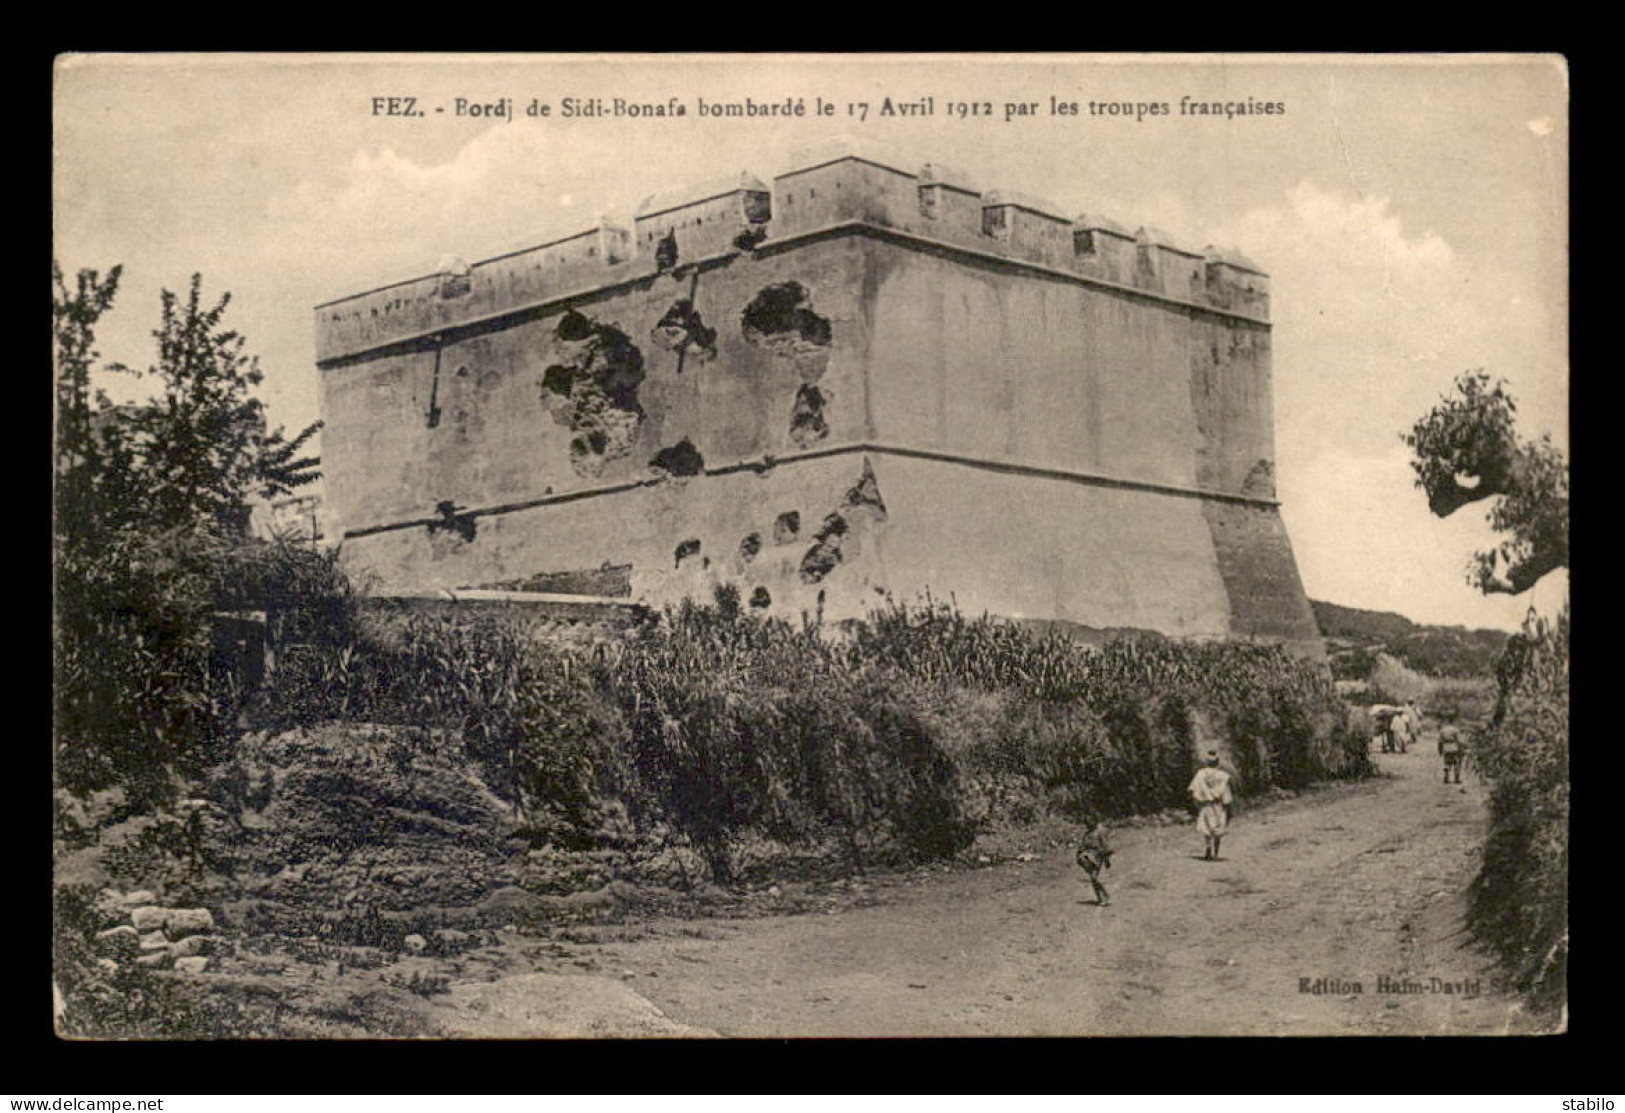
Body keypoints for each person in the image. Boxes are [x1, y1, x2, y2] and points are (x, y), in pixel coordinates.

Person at [1188, 750, 1234, 861]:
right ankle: (1216, 852)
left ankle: (1208, 849)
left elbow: (1193, 789)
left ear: (1206, 762)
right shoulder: (1223, 776)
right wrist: (1227, 804)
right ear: (1217, 762)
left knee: (1207, 828)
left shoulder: (1201, 774)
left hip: (1206, 804)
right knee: (1218, 827)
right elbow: (1227, 793)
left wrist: (1198, 800)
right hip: (1219, 804)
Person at [1075, 818, 1114, 906]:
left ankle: (1104, 896)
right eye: (1087, 824)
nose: (1088, 825)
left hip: (1098, 857)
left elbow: (1105, 847)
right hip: (1088, 858)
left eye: (1090, 823)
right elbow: (1082, 846)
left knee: (1094, 878)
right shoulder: (1086, 835)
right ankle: (1101, 897)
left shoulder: (1099, 833)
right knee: (1093, 879)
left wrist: (1106, 860)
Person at [1438, 714, 1465, 785]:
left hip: (1446, 748)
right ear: (1453, 722)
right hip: (1454, 748)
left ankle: (1446, 778)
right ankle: (1456, 779)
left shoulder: (1443, 730)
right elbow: (1459, 741)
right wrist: (1462, 748)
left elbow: (1440, 741)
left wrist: (1440, 750)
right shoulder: (1455, 730)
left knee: (1446, 763)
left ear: (1447, 721)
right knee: (1457, 763)